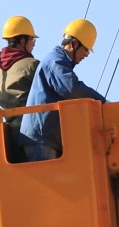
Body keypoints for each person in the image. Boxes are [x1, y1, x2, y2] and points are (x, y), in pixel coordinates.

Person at [19, 18, 106, 161]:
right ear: (74, 43)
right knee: (49, 182)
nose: (86, 55)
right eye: (86, 50)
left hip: (43, 137)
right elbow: (72, 89)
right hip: (41, 138)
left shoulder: (58, 61)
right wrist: (103, 102)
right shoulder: (55, 61)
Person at [0, 16, 40, 162]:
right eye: (32, 40)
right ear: (22, 41)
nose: (33, 45)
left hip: (12, 139)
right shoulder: (31, 65)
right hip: (35, 135)